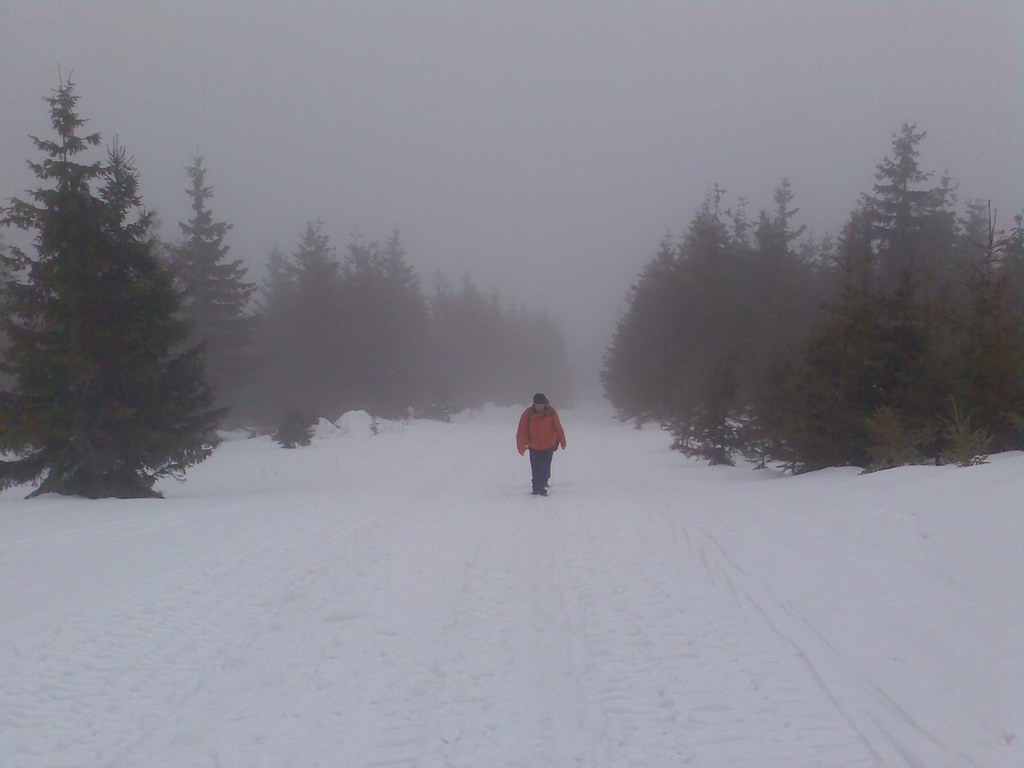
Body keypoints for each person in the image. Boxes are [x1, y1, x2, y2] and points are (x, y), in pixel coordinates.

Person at [516, 393, 567, 496]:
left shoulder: (551, 412)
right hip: (533, 446)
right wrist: (521, 444)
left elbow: (557, 426)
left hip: (548, 445)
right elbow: (522, 430)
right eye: (537, 404)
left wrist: (562, 440)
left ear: (545, 404)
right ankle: (536, 488)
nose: (539, 407)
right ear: (534, 404)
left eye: (541, 405)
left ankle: (542, 484)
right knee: (535, 468)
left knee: (544, 468)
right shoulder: (528, 414)